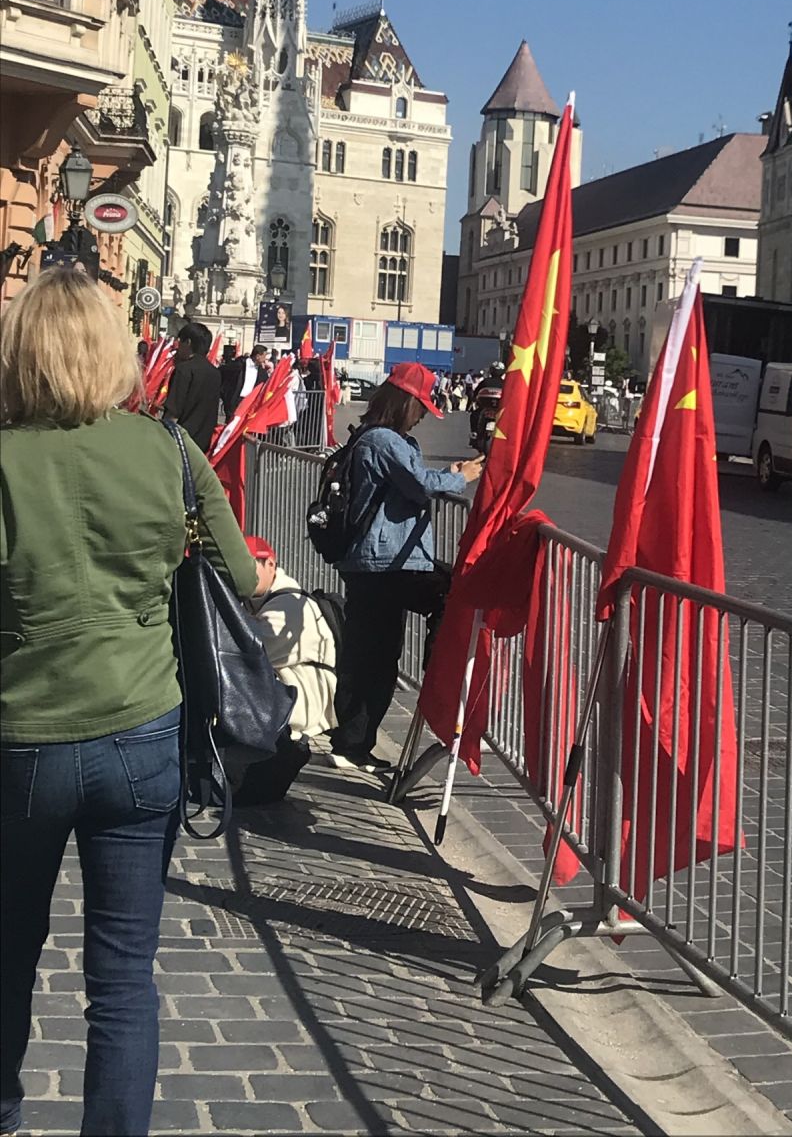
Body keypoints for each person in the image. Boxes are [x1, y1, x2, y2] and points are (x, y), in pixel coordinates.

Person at [0, 270, 258, 1137]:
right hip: (141, 734)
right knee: (121, 978)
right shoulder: (170, 452)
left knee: (5, 956)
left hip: (21, 740)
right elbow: (244, 577)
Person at [328, 362, 483, 772]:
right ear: (405, 403)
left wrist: (444, 474)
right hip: (384, 563)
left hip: (379, 561)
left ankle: (353, 742)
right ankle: (355, 743)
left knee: (371, 652)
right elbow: (420, 484)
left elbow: (412, 479)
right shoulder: (384, 441)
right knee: (376, 655)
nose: (421, 417)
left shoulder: (375, 439)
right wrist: (461, 476)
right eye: (420, 408)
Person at [232, 539, 340, 806]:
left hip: (300, 698)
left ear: (270, 563)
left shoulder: (288, 605)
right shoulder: (260, 598)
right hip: (287, 689)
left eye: (249, 566)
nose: (241, 575)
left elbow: (248, 652)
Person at [161, 319, 221, 451]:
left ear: (188, 342)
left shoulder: (184, 370)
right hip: (203, 442)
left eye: (180, 341)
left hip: (180, 441)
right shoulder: (215, 373)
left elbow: (174, 411)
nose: (177, 347)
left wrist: (163, 438)